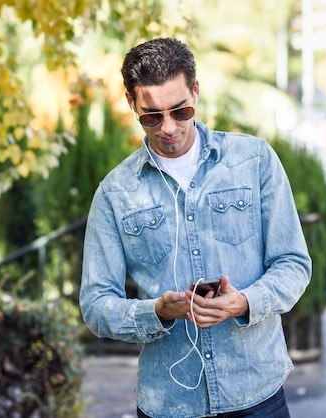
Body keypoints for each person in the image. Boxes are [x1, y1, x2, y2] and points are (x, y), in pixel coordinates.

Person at [79, 37, 311, 418]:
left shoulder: (254, 160)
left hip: (257, 393)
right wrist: (158, 310)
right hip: (169, 404)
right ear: (130, 104)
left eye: (180, 110)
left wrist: (245, 301)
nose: (168, 127)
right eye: (152, 116)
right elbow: (95, 305)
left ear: (196, 92)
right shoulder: (114, 193)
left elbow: (294, 264)